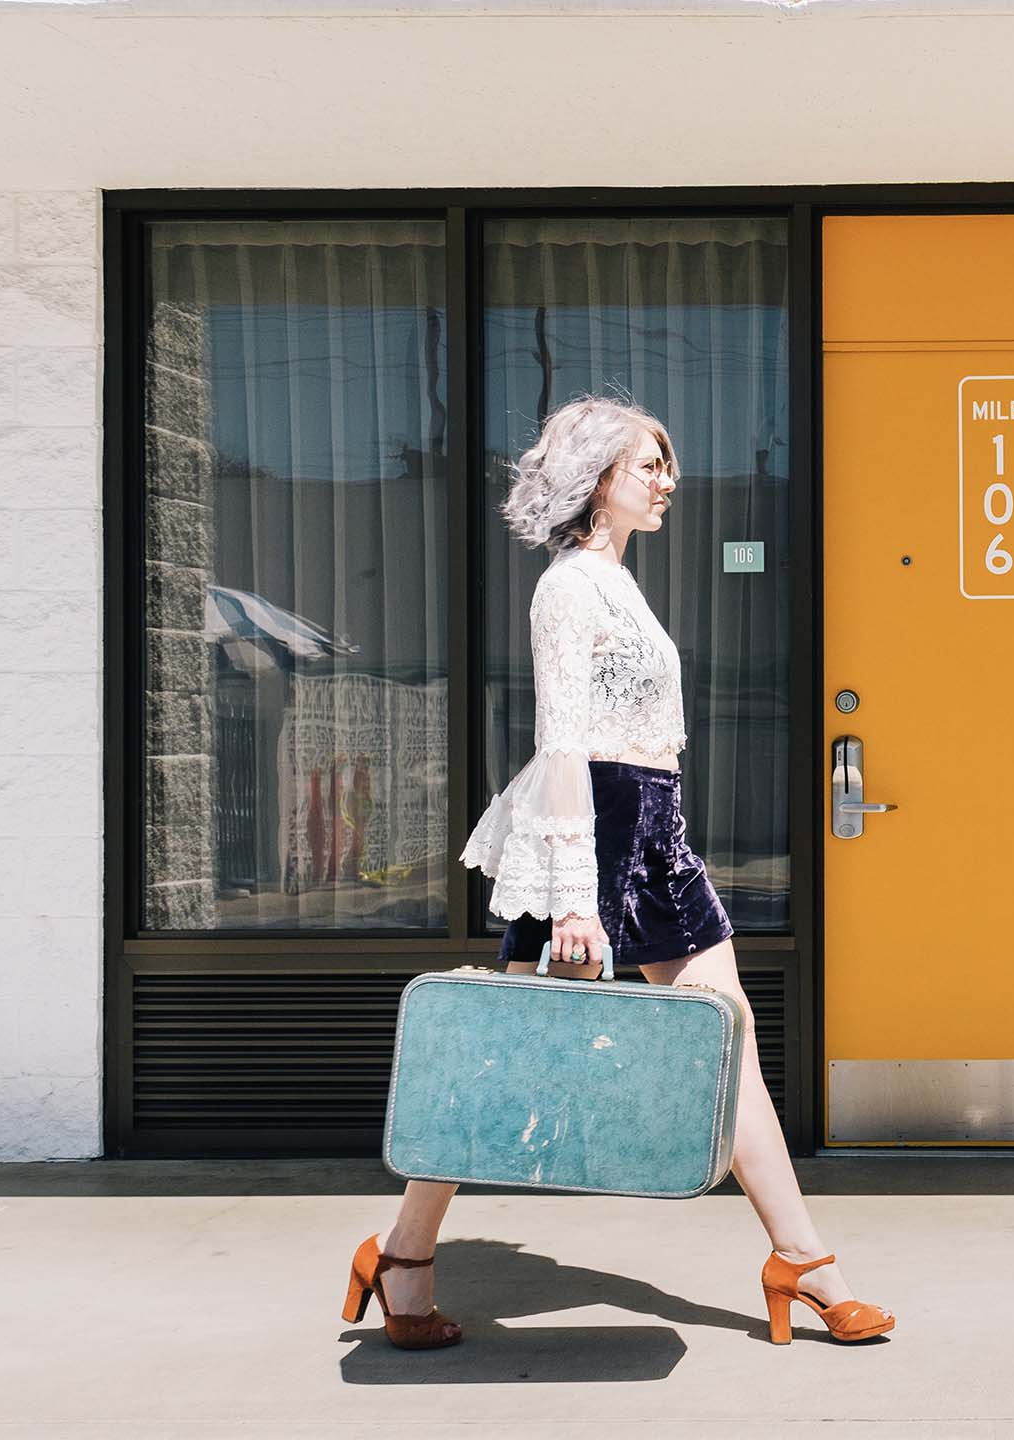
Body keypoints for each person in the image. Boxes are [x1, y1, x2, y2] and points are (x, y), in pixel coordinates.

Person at [339, 396, 894, 1351]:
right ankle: (403, 1254)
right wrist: (577, 902)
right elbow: (563, 745)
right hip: (592, 834)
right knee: (502, 1056)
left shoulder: (620, 583)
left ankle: (802, 1260)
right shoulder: (567, 589)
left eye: (666, 463)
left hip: (653, 828)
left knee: (730, 1038)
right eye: (650, 464)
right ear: (598, 478)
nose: (668, 479)